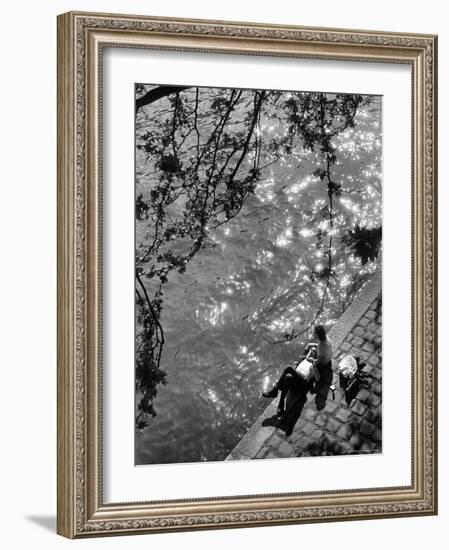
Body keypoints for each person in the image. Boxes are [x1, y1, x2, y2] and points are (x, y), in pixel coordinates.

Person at [262, 324, 333, 435]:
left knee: (288, 369)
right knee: (287, 377)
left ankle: (275, 391)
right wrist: (309, 351)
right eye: (312, 351)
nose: (312, 350)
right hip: (297, 378)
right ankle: (280, 403)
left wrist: (311, 360)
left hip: (303, 382)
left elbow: (318, 373)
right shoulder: (323, 342)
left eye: (314, 351)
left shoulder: (314, 360)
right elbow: (316, 350)